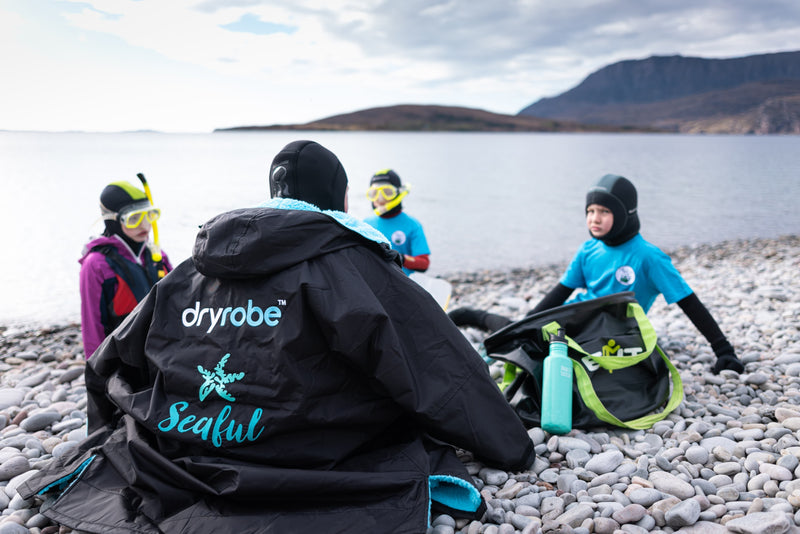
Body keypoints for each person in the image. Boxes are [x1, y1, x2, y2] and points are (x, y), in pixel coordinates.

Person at [21, 140, 535, 534]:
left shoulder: (191, 270)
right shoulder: (354, 264)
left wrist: (107, 428)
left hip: (186, 442)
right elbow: (436, 366)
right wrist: (510, 446)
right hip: (308, 456)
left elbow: (112, 357)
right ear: (340, 198)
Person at [450, 174, 744, 375]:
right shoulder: (589, 249)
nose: (594, 218)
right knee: (520, 333)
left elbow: (689, 302)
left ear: (625, 213)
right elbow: (561, 292)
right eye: (590, 210)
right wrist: (528, 322)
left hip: (613, 332)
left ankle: (480, 321)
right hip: (573, 319)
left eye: (604, 211)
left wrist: (723, 350)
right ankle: (470, 315)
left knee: (538, 350)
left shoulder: (648, 257)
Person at [79, 179, 171, 358]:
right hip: (124, 361)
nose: (145, 226)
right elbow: (92, 325)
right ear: (112, 220)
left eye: (149, 215)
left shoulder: (157, 255)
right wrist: (97, 373)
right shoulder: (96, 264)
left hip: (164, 354)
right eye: (133, 218)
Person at [364, 169, 431, 275]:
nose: (380, 199)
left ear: (398, 193)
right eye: (374, 193)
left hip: (402, 284)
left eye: (387, 192)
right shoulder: (364, 225)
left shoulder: (413, 225)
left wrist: (401, 258)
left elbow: (424, 263)